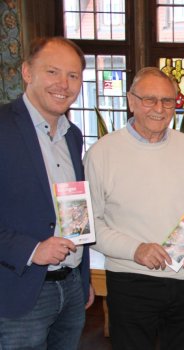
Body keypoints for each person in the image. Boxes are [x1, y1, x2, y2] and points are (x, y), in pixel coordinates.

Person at [85, 67, 184, 350]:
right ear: (132, 101)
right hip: (131, 278)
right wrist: (136, 249)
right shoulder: (101, 153)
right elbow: (91, 225)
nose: (159, 108)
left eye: (167, 101)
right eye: (150, 100)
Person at [0, 36, 94, 349]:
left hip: (69, 289)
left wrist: (83, 279)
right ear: (27, 72)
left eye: (73, 76)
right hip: (19, 292)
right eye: (52, 72)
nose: (63, 85)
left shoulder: (73, 136)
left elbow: (73, 211)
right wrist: (31, 249)